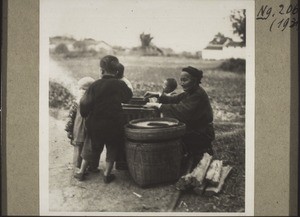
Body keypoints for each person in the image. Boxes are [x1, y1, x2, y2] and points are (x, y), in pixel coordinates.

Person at [74, 55, 133, 183]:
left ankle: (81, 172)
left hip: (96, 123)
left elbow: (84, 103)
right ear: (117, 71)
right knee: (112, 148)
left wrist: (85, 114)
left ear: (101, 70)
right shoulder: (120, 84)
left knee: (89, 147)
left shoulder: (95, 85)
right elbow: (128, 97)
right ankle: (107, 174)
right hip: (114, 124)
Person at [144, 66, 215, 169]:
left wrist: (158, 106)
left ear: (195, 81)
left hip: (201, 133)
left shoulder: (198, 95)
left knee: (167, 137)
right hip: (196, 129)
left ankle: (182, 164)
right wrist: (158, 95)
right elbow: (175, 99)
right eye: (181, 80)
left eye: (185, 80)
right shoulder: (191, 92)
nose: (181, 83)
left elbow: (182, 110)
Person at [65, 77, 98, 170]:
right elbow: (71, 115)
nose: (81, 91)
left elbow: (71, 115)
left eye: (84, 89)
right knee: (82, 147)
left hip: (85, 127)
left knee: (86, 146)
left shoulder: (92, 102)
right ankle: (82, 166)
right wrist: (69, 127)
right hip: (81, 127)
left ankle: (86, 165)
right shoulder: (78, 102)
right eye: (80, 89)